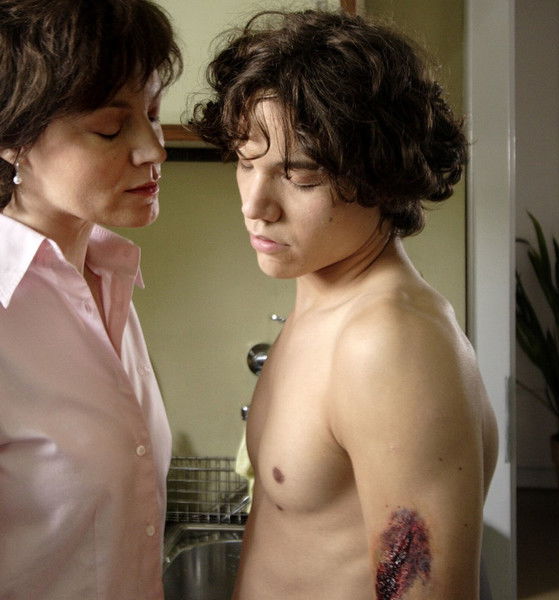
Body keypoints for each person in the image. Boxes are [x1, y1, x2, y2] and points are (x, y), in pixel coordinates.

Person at [193, 9, 498, 600]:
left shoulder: (390, 344)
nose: (255, 205)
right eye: (246, 162)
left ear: (381, 173)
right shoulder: (322, 302)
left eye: (299, 175)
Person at [0, 1, 182, 598]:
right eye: (110, 127)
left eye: (153, 115)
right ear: (13, 141)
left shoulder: (110, 274)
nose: (153, 149)